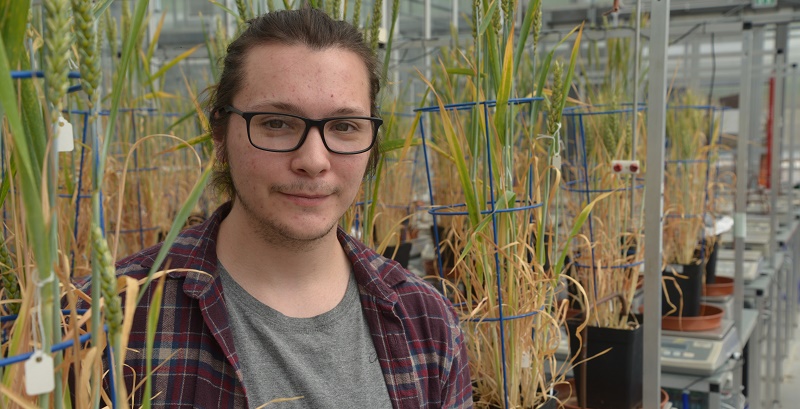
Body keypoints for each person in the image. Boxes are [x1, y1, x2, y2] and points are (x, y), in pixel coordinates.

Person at [76, 7, 472, 409]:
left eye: (344, 127)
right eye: (277, 123)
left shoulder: (427, 324)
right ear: (220, 132)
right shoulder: (108, 320)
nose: (314, 160)